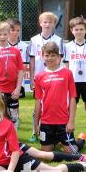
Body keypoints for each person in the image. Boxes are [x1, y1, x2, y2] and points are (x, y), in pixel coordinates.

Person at [34, 42, 84, 153]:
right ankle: (56, 141)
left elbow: (72, 98)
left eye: (53, 55)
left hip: (63, 121)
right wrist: (36, 124)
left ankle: (81, 140)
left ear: (59, 56)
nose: (50, 58)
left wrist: (71, 121)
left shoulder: (67, 74)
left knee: (71, 152)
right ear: (42, 56)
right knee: (46, 154)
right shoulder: (39, 76)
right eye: (47, 55)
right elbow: (38, 101)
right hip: (46, 122)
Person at [28, 12, 65, 142]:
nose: (47, 24)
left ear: (54, 24)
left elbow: (60, 59)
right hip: (40, 78)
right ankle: (35, 130)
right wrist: (32, 77)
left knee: (52, 104)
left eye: (50, 22)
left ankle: (55, 131)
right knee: (37, 104)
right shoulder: (34, 40)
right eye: (45, 22)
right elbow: (32, 60)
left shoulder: (59, 40)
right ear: (40, 23)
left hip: (54, 78)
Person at [64, 16, 86, 147]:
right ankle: (67, 136)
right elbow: (66, 66)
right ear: (71, 31)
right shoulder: (67, 46)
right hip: (72, 83)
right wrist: (66, 83)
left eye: (81, 29)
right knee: (69, 109)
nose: (78, 31)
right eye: (76, 29)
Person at [0, 22, 25, 130]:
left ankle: (13, 139)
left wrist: (18, 88)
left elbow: (21, 70)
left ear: (9, 34)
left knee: (14, 116)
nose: (2, 37)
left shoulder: (16, 51)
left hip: (13, 90)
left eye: (5, 34)